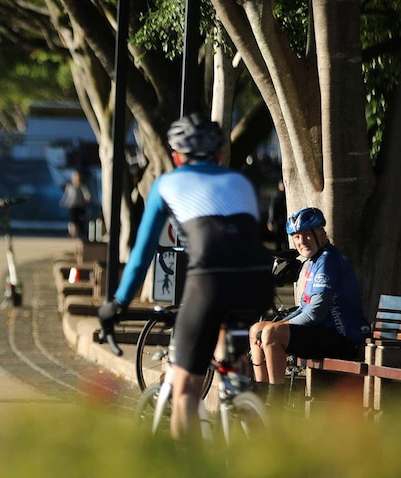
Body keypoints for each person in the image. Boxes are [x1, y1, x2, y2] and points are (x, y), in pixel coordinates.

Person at [98, 113, 273, 441]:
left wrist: (118, 304)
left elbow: (142, 254)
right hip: (257, 282)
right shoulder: (240, 183)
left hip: (208, 284)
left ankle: (189, 475)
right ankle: (240, 398)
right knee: (229, 357)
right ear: (219, 155)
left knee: (186, 389)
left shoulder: (166, 184)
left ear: (177, 156)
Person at [249, 207, 369, 407]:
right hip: (322, 333)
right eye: (296, 237)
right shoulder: (314, 261)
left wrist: (277, 328)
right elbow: (305, 307)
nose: (301, 241)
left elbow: (315, 313)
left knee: (271, 333)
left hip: (342, 339)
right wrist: (278, 324)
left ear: (322, 234)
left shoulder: (328, 260)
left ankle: (274, 403)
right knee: (256, 330)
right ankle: (259, 397)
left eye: (306, 235)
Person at [60, 170, 91, 239]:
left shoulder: (82, 186)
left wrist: (87, 198)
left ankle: (78, 233)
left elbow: (87, 194)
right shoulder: (69, 186)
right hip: (71, 206)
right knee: (72, 221)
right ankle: (72, 233)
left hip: (80, 206)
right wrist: (63, 202)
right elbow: (66, 196)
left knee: (79, 221)